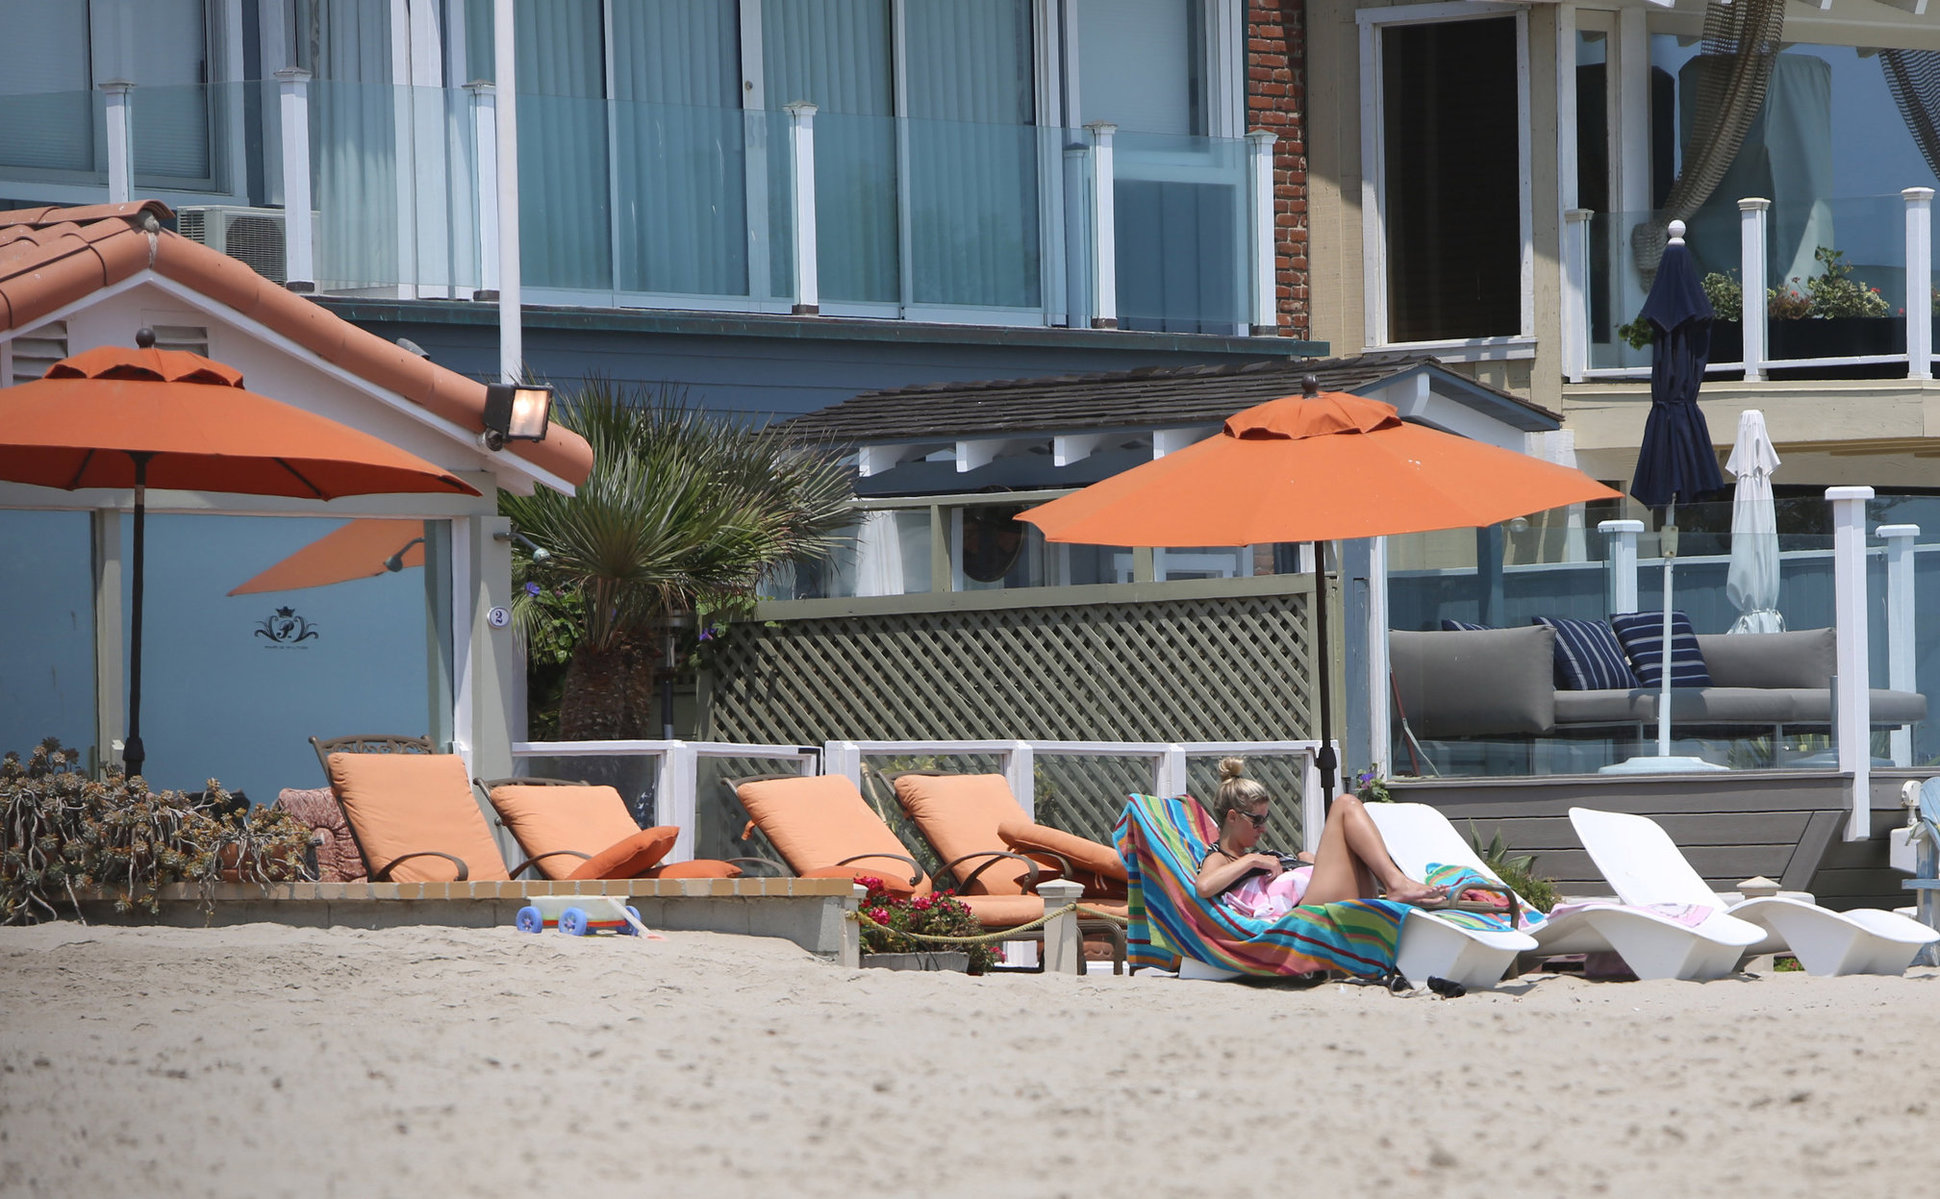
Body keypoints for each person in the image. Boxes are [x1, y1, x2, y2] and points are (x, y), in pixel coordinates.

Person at [1194, 757, 1447, 918]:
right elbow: (1204, 887)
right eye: (1256, 820)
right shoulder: (1220, 857)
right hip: (1306, 913)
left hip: (1328, 898)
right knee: (1345, 804)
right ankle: (1395, 883)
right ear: (1232, 817)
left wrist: (1303, 863)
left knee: (1338, 831)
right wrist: (1254, 861)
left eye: (1265, 819)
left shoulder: (1249, 855)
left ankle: (1396, 883)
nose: (1263, 828)